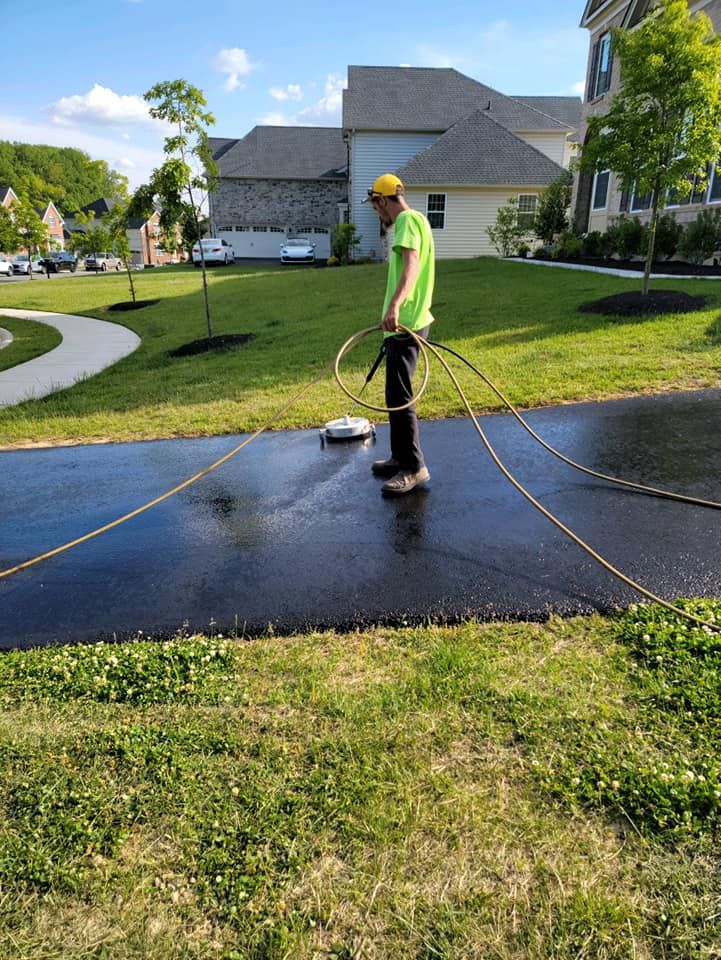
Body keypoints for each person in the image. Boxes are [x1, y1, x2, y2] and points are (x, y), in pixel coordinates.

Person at [363, 173, 435, 495]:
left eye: (375, 205)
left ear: (383, 199)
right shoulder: (419, 220)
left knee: (401, 397)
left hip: (405, 322)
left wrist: (394, 306)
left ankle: (414, 467)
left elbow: (412, 265)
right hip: (407, 322)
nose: (377, 212)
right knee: (394, 395)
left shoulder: (406, 220)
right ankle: (399, 457)